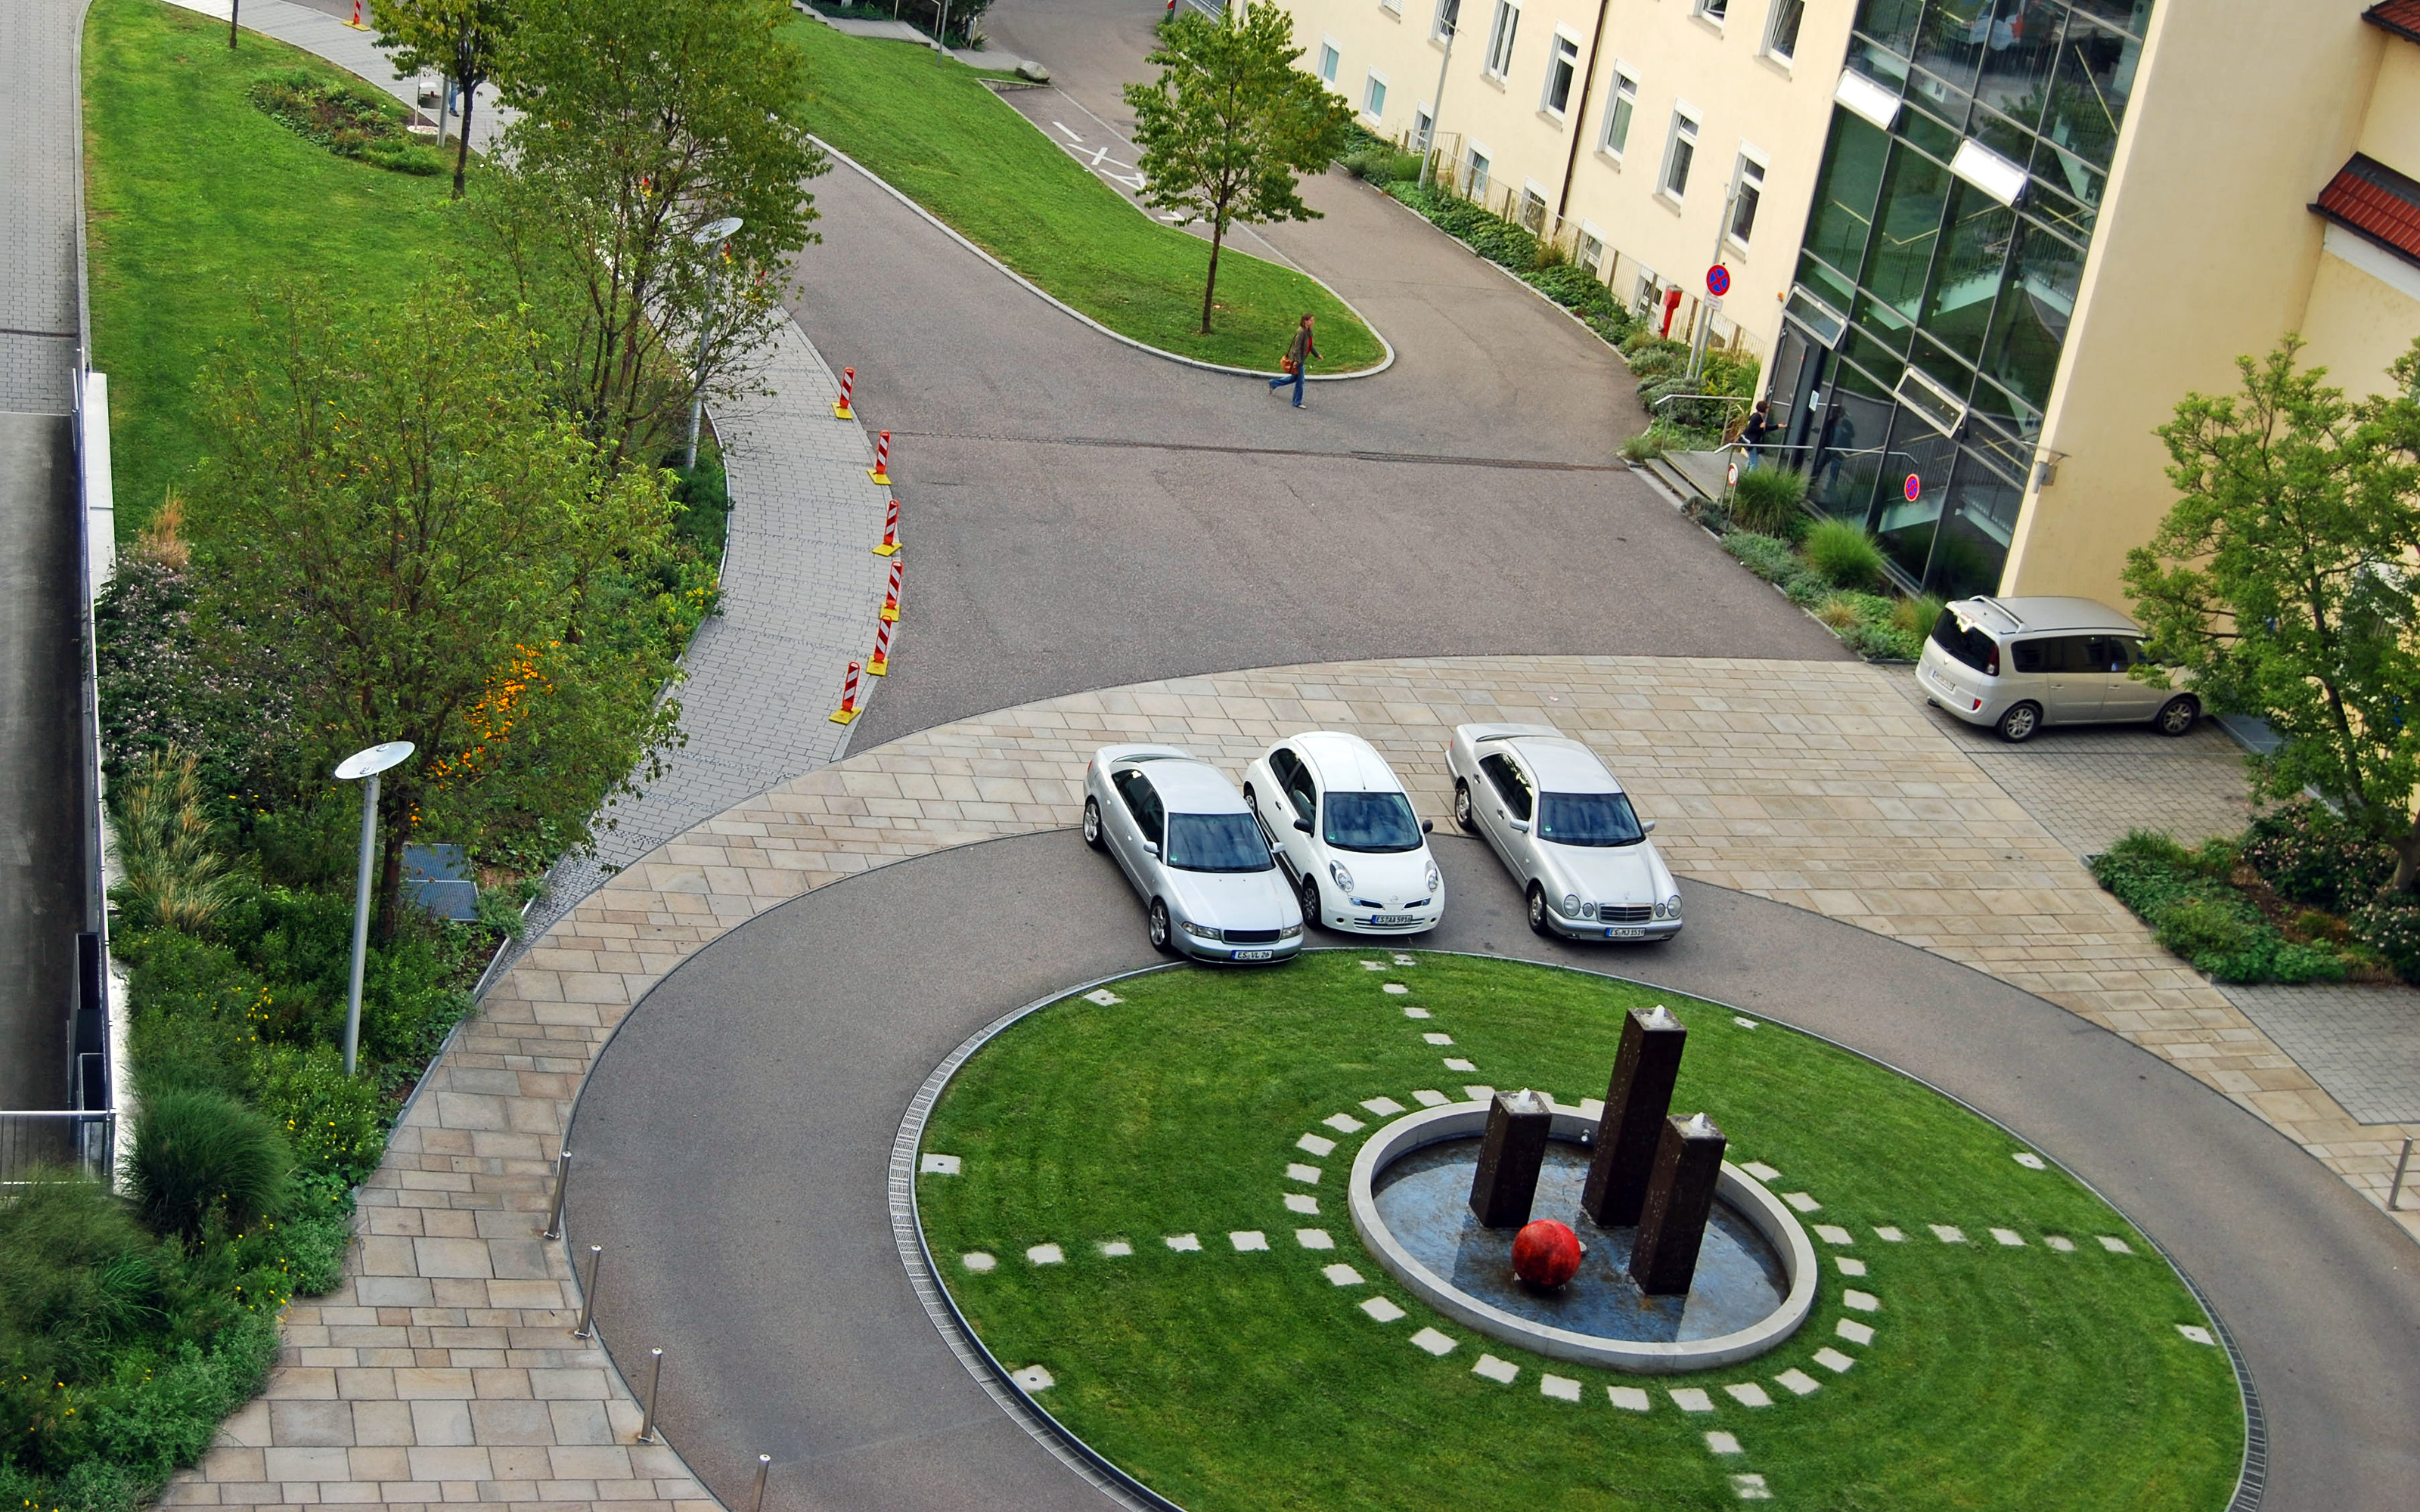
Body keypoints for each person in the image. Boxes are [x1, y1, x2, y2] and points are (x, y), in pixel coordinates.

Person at [1268, 314, 1317, 407]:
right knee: (1300, 381)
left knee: (1295, 378)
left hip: (1301, 359)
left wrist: (1317, 355)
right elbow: (1296, 348)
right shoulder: (1301, 332)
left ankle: (1274, 383)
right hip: (1299, 360)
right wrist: (1297, 361)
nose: (1313, 322)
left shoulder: (1308, 331)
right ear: (1305, 321)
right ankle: (1297, 402)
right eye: (1311, 320)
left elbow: (1310, 345)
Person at [1740, 400, 1771, 469]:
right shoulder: (1757, 417)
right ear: (1764, 409)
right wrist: (1760, 427)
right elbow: (1750, 429)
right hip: (1752, 442)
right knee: (1754, 463)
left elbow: (1765, 428)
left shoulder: (1758, 417)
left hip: (1751, 442)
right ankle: (1750, 475)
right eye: (1767, 408)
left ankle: (1746, 473)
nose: (1768, 409)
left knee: (1751, 460)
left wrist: (1777, 426)